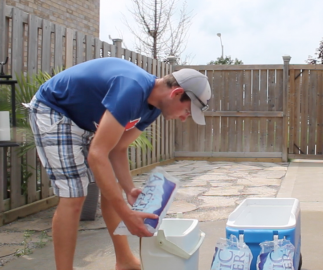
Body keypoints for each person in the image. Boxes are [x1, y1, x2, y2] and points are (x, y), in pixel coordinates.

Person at [27, 57, 211, 270]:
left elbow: (118, 148)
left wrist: (128, 188)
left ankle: (125, 261)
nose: (183, 118)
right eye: (187, 111)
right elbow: (97, 155)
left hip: (82, 120)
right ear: (176, 93)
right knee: (74, 195)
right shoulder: (131, 89)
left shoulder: (152, 108)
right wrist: (126, 214)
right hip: (54, 110)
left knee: (110, 188)